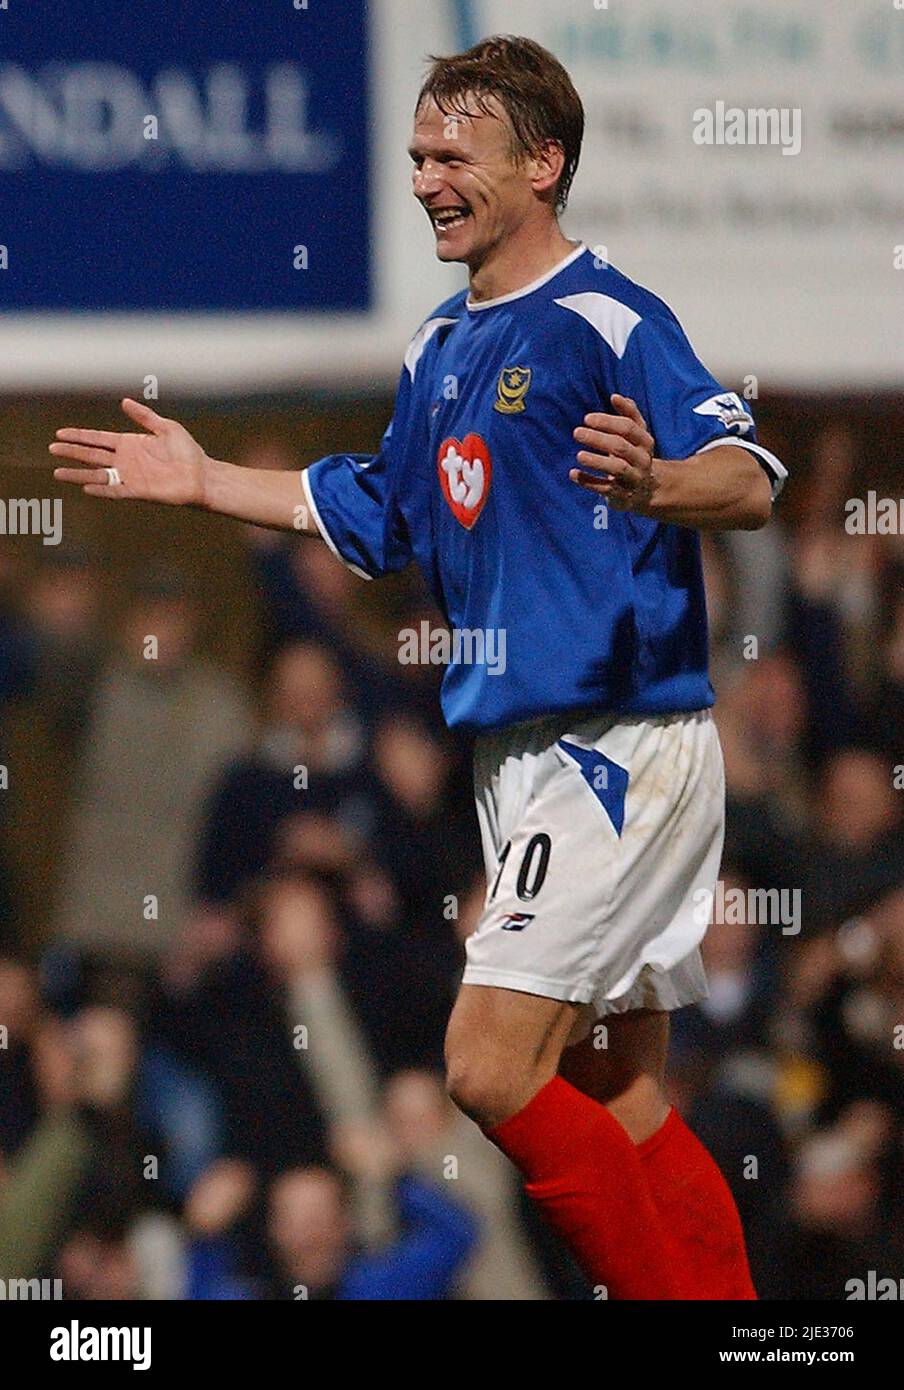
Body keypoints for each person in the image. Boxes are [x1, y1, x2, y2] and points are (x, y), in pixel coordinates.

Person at [50, 35, 788, 1299]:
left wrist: (660, 481)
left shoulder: (607, 316)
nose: (426, 177)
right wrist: (199, 480)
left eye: (455, 153)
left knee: (488, 1069)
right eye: (415, 156)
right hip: (524, 761)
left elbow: (751, 476)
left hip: (611, 747)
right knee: (614, 1092)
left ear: (543, 163)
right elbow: (379, 512)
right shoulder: (438, 349)